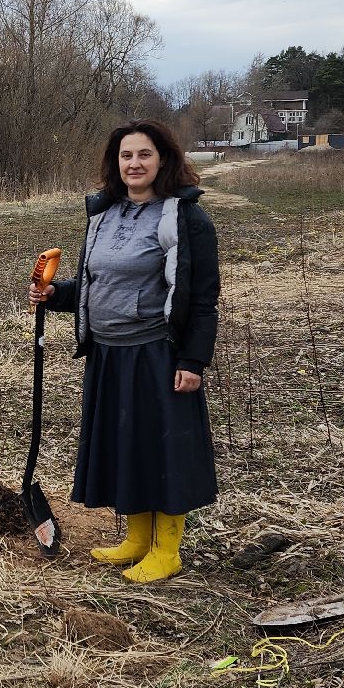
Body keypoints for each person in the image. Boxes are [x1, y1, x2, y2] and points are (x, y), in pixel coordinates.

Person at [28, 119, 219, 583]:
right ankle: (136, 539)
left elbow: (202, 297)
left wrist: (193, 361)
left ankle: (166, 550)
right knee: (127, 448)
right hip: (109, 355)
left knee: (163, 451)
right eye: (126, 156)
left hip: (157, 353)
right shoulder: (105, 213)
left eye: (144, 155)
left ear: (163, 159)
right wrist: (58, 295)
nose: (134, 163)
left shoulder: (185, 218)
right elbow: (99, 284)